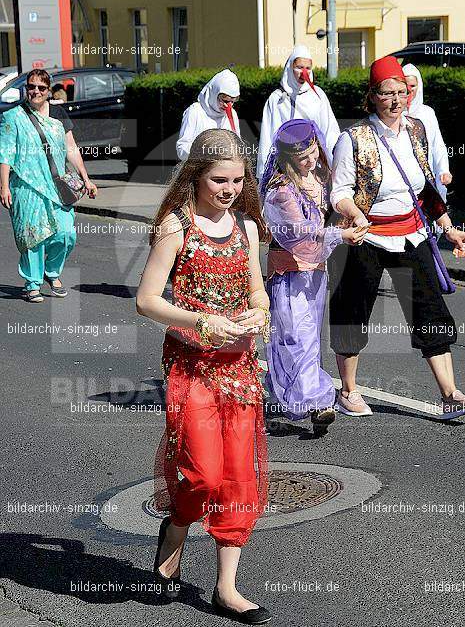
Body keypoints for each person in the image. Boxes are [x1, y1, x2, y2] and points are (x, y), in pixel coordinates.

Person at [136, 129, 272, 624]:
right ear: (196, 175)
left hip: (238, 368)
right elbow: (147, 300)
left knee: (238, 478)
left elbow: (257, 291)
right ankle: (175, 528)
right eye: (220, 179)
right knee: (201, 474)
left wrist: (259, 312)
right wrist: (202, 322)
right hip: (190, 367)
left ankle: (227, 587)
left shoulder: (247, 228)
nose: (231, 188)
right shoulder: (178, 226)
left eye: (238, 179)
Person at [329, 55, 465, 417]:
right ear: (372, 97)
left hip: (412, 234)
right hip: (367, 237)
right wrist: (355, 212)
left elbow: (425, 188)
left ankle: (450, 392)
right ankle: (349, 391)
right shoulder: (354, 139)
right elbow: (338, 191)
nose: (395, 101)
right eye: (386, 94)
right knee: (353, 310)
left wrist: (449, 228)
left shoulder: (417, 129)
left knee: (430, 310)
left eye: (401, 92)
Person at [260, 119, 369, 433]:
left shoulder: (321, 176)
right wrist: (339, 235)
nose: (309, 159)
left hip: (315, 271)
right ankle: (317, 398)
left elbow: (334, 208)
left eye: (312, 151)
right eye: (301, 156)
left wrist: (351, 219)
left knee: (306, 338)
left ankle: (311, 399)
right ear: (287, 157)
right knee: (293, 337)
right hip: (288, 271)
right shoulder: (281, 189)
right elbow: (297, 233)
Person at [0, 69, 98, 303]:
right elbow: (6, 153)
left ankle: (51, 272)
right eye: (31, 87)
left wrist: (86, 178)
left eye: (41, 88)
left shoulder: (58, 113)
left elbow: (71, 149)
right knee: (33, 236)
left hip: (57, 185)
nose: (35, 91)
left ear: (48, 90)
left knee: (65, 234)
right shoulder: (13, 117)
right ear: (26, 88)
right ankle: (32, 283)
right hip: (26, 185)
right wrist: (4, 186)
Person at [256, 45, 340, 179]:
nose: (304, 72)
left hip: (314, 164)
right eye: (299, 67)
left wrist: (335, 164)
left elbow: (329, 131)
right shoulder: (276, 98)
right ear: (290, 68)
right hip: (286, 168)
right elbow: (268, 137)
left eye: (308, 68)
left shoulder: (318, 95)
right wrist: (264, 174)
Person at [402, 63, 452, 201]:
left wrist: (443, 170)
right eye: (405, 85)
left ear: (419, 86)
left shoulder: (427, 113)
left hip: (427, 180)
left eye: (413, 86)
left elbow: (438, 145)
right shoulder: (394, 114)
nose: (409, 90)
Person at [176, 69, 241, 162]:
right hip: (198, 172)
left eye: (232, 102)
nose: (228, 106)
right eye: (225, 101)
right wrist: (206, 154)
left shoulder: (232, 114)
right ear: (214, 94)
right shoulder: (195, 112)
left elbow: (236, 145)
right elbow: (182, 148)